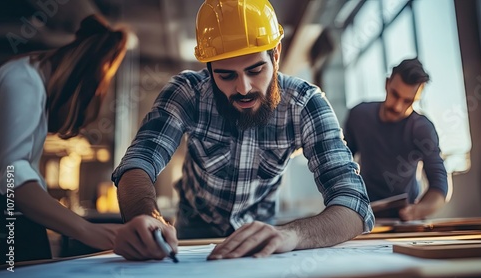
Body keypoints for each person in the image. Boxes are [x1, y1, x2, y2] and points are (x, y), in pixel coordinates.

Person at [112, 0, 374, 261]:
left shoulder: (305, 104)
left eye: (255, 70)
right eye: (226, 75)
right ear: (209, 67)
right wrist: (146, 218)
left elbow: (354, 204)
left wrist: (292, 234)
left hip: (261, 236)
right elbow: (138, 162)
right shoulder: (187, 93)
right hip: (193, 233)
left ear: (276, 54)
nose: (244, 88)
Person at [0, 14, 134, 263]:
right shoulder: (23, 79)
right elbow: (11, 175)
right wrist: (88, 230)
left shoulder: (31, 82)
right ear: (82, 76)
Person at [343, 58, 449, 221]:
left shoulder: (422, 129)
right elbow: (341, 164)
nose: (398, 106)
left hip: (406, 218)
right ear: (387, 83)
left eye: (408, 101)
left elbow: (440, 185)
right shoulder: (359, 115)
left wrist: (417, 211)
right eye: (395, 95)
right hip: (363, 213)